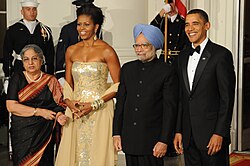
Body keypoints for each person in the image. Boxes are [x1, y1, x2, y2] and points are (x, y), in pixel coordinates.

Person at [55, 2, 120, 166]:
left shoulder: (107, 51)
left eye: (86, 24)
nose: (81, 28)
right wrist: (69, 103)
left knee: (96, 155)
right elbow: (68, 84)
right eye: (79, 24)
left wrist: (94, 104)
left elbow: (119, 85)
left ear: (96, 27)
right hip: (76, 111)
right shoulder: (71, 50)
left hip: (100, 110)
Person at [174, 9, 236, 166]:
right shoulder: (182, 56)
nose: (190, 29)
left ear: (207, 25)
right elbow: (181, 97)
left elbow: (226, 99)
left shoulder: (221, 55)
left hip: (212, 136)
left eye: (195, 24)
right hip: (188, 137)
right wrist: (179, 130)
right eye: (187, 24)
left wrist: (219, 132)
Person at [113, 24, 178, 166]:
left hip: (153, 142)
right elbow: (121, 104)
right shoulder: (127, 69)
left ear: (154, 46)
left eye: (144, 45)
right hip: (129, 139)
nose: (139, 49)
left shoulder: (166, 71)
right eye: (136, 45)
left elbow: (170, 109)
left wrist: (164, 140)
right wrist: (116, 133)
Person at [6, 44, 67, 166]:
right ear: (22, 62)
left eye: (34, 58)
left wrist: (59, 114)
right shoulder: (17, 78)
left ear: (41, 60)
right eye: (26, 59)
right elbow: (11, 106)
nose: (30, 63)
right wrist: (39, 111)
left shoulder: (50, 80)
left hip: (43, 132)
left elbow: (58, 104)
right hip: (22, 132)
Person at [3, 0, 55, 93]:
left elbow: (50, 54)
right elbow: (7, 53)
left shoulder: (45, 30)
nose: (32, 12)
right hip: (20, 69)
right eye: (28, 9)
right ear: (22, 11)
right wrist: (7, 76)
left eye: (34, 9)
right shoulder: (13, 30)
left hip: (40, 70)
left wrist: (50, 75)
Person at [55, 0, 102, 84]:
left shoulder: (97, 29)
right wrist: (61, 76)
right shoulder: (68, 29)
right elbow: (61, 54)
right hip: (72, 74)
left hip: (92, 75)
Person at [150, 0, 189, 64]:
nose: (168, 4)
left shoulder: (182, 22)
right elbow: (151, 30)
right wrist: (162, 12)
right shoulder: (162, 21)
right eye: (166, 2)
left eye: (170, 2)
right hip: (163, 59)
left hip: (178, 60)